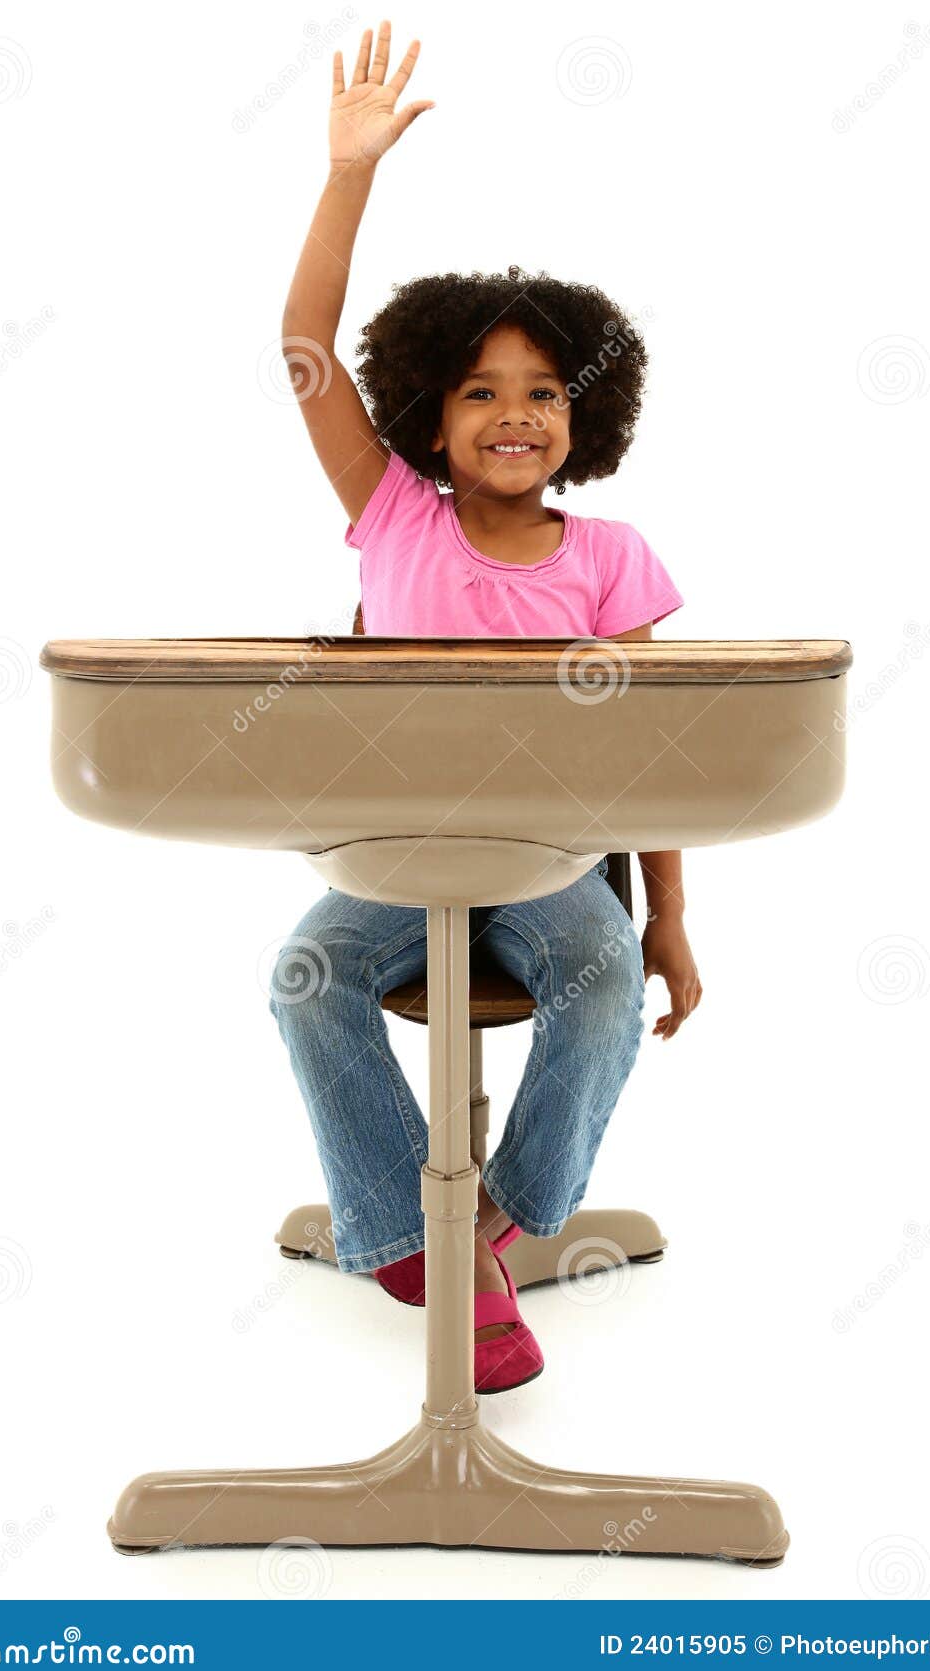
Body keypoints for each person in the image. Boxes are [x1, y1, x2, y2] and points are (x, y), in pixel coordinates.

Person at [270, 20, 702, 1392]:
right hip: (396, 852)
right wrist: (350, 175)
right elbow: (298, 342)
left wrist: (674, 922)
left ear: (586, 413)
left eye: (540, 394)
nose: (512, 415)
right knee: (305, 978)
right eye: (477, 391)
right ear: (428, 415)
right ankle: (413, 1237)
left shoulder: (612, 558)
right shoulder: (391, 509)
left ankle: (495, 1227)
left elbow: (657, 761)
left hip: (551, 859)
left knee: (599, 986)